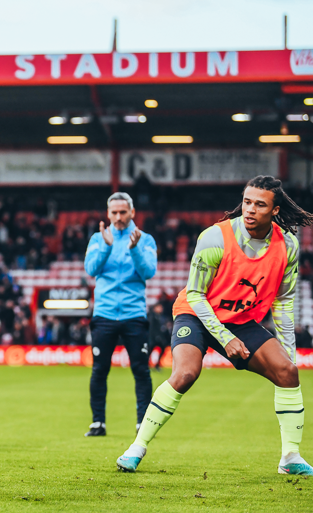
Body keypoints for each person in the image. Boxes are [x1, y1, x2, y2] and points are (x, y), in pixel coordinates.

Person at [117, 176, 313, 475]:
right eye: (247, 202)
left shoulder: (288, 246)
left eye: (260, 204)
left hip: (239, 321)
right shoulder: (215, 237)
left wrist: (290, 353)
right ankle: (137, 448)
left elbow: (284, 303)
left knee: (287, 372)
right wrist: (223, 337)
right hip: (195, 313)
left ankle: (290, 457)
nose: (250, 209)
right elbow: (195, 294)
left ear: (274, 211)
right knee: (185, 374)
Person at [83, 192, 157, 437]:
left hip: (133, 314)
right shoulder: (98, 238)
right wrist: (106, 246)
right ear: (108, 213)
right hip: (104, 314)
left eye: (123, 212)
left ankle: (142, 424)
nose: (118, 217)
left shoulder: (145, 240)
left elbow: (148, 272)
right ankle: (98, 423)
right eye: (114, 213)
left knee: (141, 370)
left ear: (132, 213)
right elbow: (91, 269)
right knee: (99, 370)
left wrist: (134, 249)